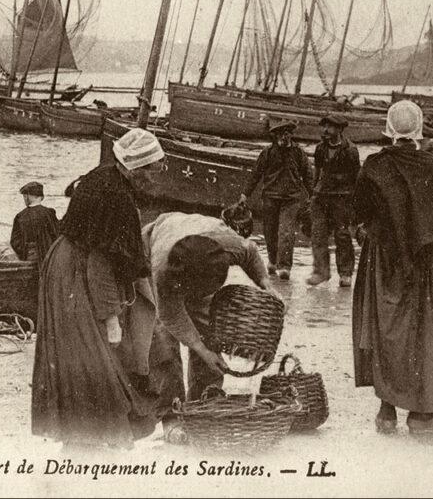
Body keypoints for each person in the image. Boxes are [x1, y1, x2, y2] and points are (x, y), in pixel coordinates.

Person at [352, 100, 433, 435]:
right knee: (427, 331)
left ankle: (386, 411)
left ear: (389, 130)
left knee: (386, 328)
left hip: (383, 259)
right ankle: (424, 416)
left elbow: (360, 211)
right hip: (428, 262)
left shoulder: (373, 166)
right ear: (420, 129)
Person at [31, 128, 165, 448]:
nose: (155, 178)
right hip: (76, 274)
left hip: (62, 264)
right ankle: (91, 439)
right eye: (152, 170)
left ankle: (78, 434)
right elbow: (101, 262)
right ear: (134, 168)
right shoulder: (117, 198)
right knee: (92, 355)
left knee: (75, 356)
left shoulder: (102, 176)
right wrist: (111, 317)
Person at [142, 212, 274, 426]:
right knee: (163, 342)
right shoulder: (162, 269)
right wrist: (200, 349)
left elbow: (250, 252)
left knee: (208, 329)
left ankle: (205, 403)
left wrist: (267, 285)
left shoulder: (229, 245)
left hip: (196, 245)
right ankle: (171, 414)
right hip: (157, 244)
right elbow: (171, 315)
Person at [240, 120, 313, 280]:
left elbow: (307, 175)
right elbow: (256, 174)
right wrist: (245, 194)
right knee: (270, 231)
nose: (284, 137)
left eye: (287, 134)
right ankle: (273, 260)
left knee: (286, 232)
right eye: (280, 134)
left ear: (291, 135)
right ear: (276, 135)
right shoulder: (268, 153)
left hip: (291, 199)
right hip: (270, 197)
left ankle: (285, 267)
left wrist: (313, 195)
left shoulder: (298, 153)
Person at [309, 113, 360, 288]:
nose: (326, 130)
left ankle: (345, 273)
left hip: (341, 198)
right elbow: (317, 172)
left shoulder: (350, 151)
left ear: (339, 129)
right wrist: (313, 193)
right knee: (318, 234)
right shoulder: (320, 148)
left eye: (330, 127)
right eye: (325, 126)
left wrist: (353, 203)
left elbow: (356, 178)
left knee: (342, 235)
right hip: (321, 196)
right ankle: (321, 272)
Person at [10, 181, 59, 263]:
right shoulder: (49, 213)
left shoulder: (20, 216)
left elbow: (15, 242)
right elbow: (56, 234)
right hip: (49, 258)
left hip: (30, 258)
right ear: (41, 197)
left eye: (24, 196)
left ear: (27, 197)